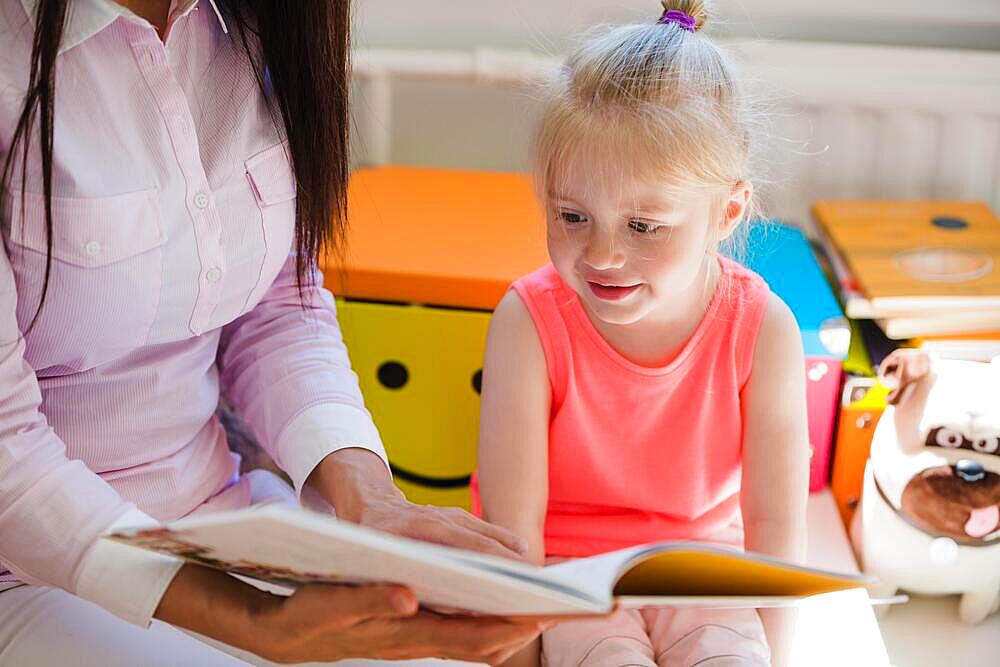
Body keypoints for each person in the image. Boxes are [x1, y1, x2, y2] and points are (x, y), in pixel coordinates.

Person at [0, 0, 552, 664]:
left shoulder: (257, 27)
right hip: (32, 570)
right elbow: (10, 460)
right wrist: (254, 620)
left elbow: (277, 310)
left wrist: (371, 502)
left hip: (223, 517)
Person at [475, 1, 810, 665]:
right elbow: (511, 529)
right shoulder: (529, 321)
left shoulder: (763, 326)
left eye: (642, 226)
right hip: (569, 570)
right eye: (572, 215)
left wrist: (780, 652)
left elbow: (775, 525)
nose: (601, 254)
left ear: (727, 211)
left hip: (703, 566)